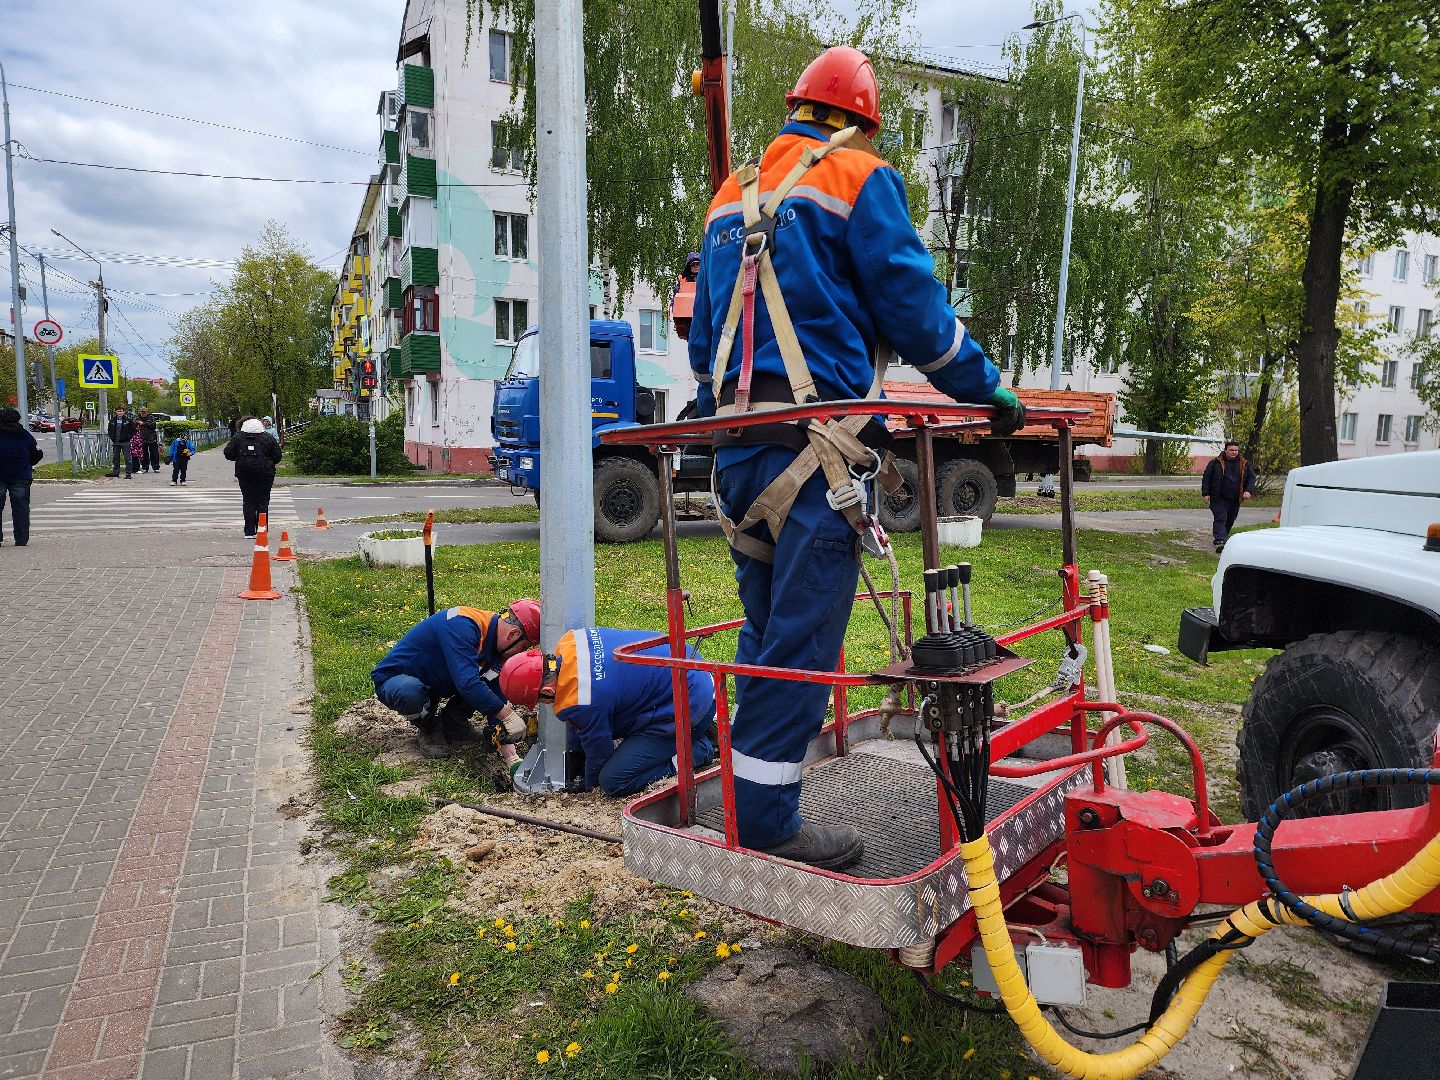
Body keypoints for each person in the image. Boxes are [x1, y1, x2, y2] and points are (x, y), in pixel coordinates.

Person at [686, 47, 1025, 870]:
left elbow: (704, 342)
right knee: (802, 647)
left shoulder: (731, 197)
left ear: (801, 110)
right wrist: (988, 391)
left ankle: (746, 794)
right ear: (858, 122)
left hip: (738, 455)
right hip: (822, 459)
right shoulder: (858, 176)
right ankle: (764, 822)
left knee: (770, 634)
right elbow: (916, 315)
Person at [499, 628, 717, 797]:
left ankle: (698, 750)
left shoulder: (582, 699)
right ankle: (697, 732)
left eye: (539, 701)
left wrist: (589, 785)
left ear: (547, 690)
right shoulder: (570, 641)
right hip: (691, 664)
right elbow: (585, 723)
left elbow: (599, 754)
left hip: (689, 705)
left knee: (613, 780)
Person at [371, 600, 542, 761]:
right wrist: (508, 715)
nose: (521, 653)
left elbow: (495, 693)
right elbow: (467, 684)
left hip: (438, 679)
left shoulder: (497, 645)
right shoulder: (462, 625)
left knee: (485, 679)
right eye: (524, 647)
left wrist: (506, 744)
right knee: (409, 693)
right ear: (513, 634)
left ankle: (454, 723)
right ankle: (428, 726)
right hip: (397, 679)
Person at [223, 417, 282, 537]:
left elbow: (228, 453)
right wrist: (268, 461)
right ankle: (262, 530)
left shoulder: (238, 437)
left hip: (244, 472)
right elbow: (277, 456)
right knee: (263, 500)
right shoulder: (268, 437)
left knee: (248, 500)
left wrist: (240, 458)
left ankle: (249, 531)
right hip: (265, 473)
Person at [1201, 440, 1255, 553]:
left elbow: (1251, 478)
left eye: (1236, 450)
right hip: (1218, 497)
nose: (1234, 452)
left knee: (1230, 519)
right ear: (1225, 450)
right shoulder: (1215, 463)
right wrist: (1205, 493)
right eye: (1231, 450)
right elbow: (1206, 478)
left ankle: (1223, 536)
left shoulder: (1244, 463)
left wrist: (1248, 490)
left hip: (1235, 498)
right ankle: (1220, 541)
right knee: (1220, 517)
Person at [0, 406, 43, 547]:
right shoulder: (24, 434)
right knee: (21, 508)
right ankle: (21, 539)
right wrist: (27, 464)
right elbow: (36, 454)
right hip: (21, 475)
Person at [671, 251, 701, 342]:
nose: (696, 266)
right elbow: (676, 295)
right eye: (693, 264)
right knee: (692, 336)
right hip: (688, 317)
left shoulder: (707, 278)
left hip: (703, 313)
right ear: (689, 266)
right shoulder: (683, 279)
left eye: (698, 264)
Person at [107, 407, 136, 478]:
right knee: (115, 458)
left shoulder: (128, 420)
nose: (119, 413)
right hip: (116, 442)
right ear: (115, 412)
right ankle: (115, 472)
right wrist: (112, 437)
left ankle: (128, 473)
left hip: (125, 442)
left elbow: (133, 430)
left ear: (123, 412)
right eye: (118, 411)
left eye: (120, 411)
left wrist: (128, 437)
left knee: (127, 458)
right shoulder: (112, 420)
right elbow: (109, 430)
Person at [136, 407, 161, 474]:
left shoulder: (151, 417)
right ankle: (145, 467)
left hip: (152, 438)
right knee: (144, 454)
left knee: (154, 453)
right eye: (142, 412)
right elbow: (135, 426)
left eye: (144, 412)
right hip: (142, 439)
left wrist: (143, 423)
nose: (143, 413)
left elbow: (153, 425)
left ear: (147, 412)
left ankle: (156, 467)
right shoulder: (138, 418)